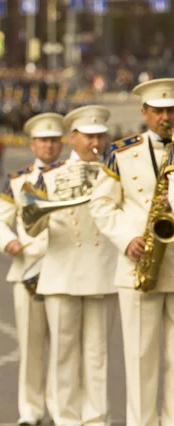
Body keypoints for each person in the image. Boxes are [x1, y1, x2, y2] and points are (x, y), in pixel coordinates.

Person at [90, 78, 174, 426]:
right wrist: (127, 239)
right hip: (140, 264)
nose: (166, 117)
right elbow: (102, 205)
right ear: (144, 113)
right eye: (158, 111)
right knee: (140, 356)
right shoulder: (122, 151)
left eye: (171, 110)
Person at [34, 106, 118, 426]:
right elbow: (33, 224)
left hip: (103, 271)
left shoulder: (115, 172)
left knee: (98, 355)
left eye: (100, 135)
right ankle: (66, 418)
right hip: (62, 271)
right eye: (88, 136)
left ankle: (96, 419)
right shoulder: (51, 176)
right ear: (73, 138)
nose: (95, 142)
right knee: (64, 354)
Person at [0, 113, 63, 426]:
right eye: (43, 140)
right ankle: (30, 410)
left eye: (54, 140)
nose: (48, 146)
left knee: (63, 346)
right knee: (31, 346)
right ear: (32, 144)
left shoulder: (74, 175)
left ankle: (61, 408)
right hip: (28, 270)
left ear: (62, 143)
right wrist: (9, 242)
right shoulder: (18, 179)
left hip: (63, 268)